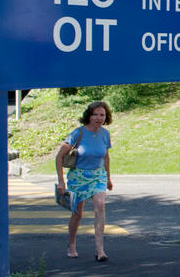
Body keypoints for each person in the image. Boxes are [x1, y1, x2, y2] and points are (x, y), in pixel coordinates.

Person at [56, 100, 113, 261]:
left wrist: (108, 178)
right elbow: (59, 156)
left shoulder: (105, 134)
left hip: (98, 175)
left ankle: (100, 250)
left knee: (100, 206)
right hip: (78, 176)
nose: (99, 118)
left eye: (102, 115)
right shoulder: (77, 133)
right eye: (95, 114)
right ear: (88, 116)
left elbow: (106, 157)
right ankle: (71, 244)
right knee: (77, 214)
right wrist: (61, 181)